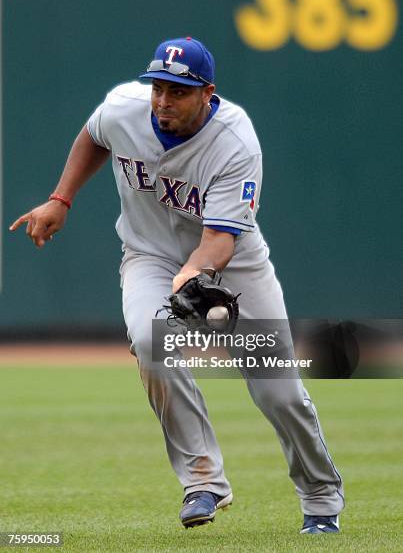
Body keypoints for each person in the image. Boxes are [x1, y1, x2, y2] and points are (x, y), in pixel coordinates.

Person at [10, 37, 344, 533]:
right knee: (151, 341)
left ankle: (320, 498)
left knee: (279, 393)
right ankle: (203, 480)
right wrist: (61, 198)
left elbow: (221, 240)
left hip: (234, 269)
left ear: (207, 92)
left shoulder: (234, 141)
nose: (163, 100)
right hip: (148, 256)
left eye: (179, 91)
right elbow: (93, 135)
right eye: (159, 87)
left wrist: (192, 274)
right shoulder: (124, 107)